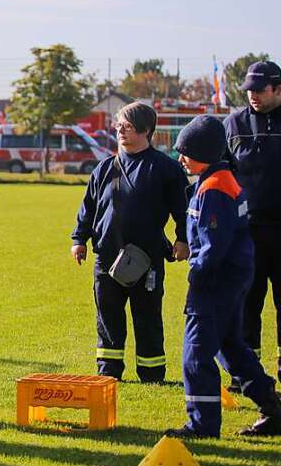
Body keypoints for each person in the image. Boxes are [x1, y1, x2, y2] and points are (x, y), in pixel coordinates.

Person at [165, 115, 281, 437]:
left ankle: (201, 425)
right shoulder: (221, 179)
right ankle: (271, 406)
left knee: (196, 352)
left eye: (185, 151)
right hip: (233, 279)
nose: (181, 158)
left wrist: (197, 274)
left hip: (215, 282)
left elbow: (215, 245)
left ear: (204, 151)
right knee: (230, 346)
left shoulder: (214, 188)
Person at [71, 102, 189, 383]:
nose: (120, 131)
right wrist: (79, 239)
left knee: (147, 317)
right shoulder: (103, 168)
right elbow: (88, 207)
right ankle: (109, 373)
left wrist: (183, 239)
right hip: (106, 256)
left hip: (146, 259)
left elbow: (182, 208)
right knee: (108, 317)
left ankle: (152, 374)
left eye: (128, 127)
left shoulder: (166, 168)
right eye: (119, 126)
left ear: (146, 130)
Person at [223, 60, 281, 379]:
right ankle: (246, 372)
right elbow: (223, 171)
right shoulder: (233, 123)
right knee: (246, 302)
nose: (253, 96)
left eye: (259, 90)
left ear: (278, 88)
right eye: (248, 91)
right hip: (247, 231)